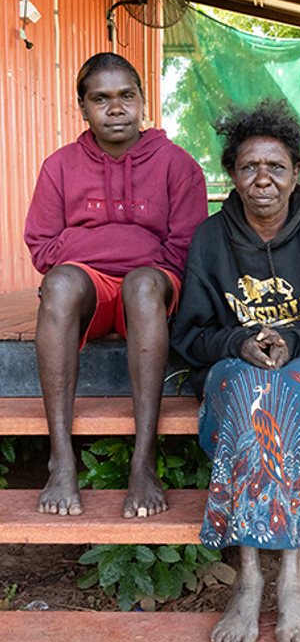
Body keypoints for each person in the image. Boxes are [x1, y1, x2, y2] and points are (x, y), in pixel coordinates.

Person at [171, 99, 300, 642]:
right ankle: (260, 576)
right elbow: (189, 336)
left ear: (295, 173)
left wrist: (294, 341)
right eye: (250, 167)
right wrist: (238, 342)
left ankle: (283, 577)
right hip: (233, 388)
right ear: (232, 174)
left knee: (281, 389)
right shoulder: (211, 239)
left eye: (276, 167)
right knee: (258, 389)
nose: (264, 179)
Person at [24, 52, 207, 519]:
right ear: (82, 107)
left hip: (151, 293)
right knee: (61, 283)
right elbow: (45, 251)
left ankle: (143, 461)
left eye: (126, 96)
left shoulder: (177, 165)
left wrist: (87, 241)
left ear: (143, 100)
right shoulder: (60, 166)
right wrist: (133, 243)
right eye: (100, 99)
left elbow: (185, 251)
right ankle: (61, 457)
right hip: (91, 292)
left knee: (144, 285)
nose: (115, 108)